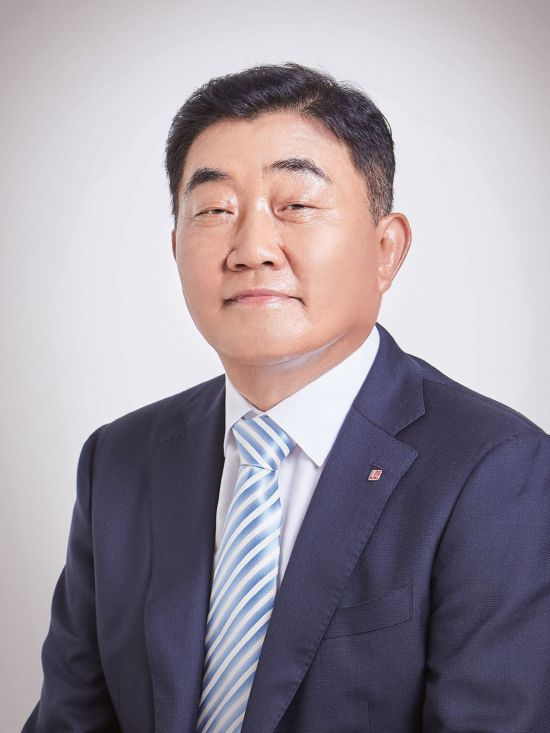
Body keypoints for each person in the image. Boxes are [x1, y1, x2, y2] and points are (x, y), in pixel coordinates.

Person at [24, 62, 550, 733]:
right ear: (176, 246)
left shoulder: (496, 470)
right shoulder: (119, 459)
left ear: (386, 249)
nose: (252, 249)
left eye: (295, 205)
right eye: (215, 210)